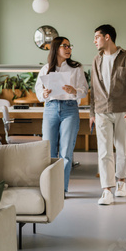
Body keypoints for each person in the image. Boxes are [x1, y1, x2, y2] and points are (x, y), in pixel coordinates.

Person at [89, 24, 126, 205]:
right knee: (104, 151)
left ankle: (121, 182)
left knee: (122, 149)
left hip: (123, 111)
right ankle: (106, 190)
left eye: (97, 37)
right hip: (102, 111)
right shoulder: (96, 60)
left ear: (107, 37)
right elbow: (93, 89)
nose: (94, 40)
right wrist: (91, 113)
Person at [35, 36, 89, 194]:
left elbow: (84, 90)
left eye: (69, 46)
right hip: (51, 108)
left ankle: (61, 190)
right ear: (56, 48)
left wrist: (75, 91)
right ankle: (49, 188)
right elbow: (38, 92)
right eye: (65, 46)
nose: (68, 49)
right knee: (48, 152)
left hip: (70, 109)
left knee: (66, 152)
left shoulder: (76, 68)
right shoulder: (46, 69)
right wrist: (44, 93)